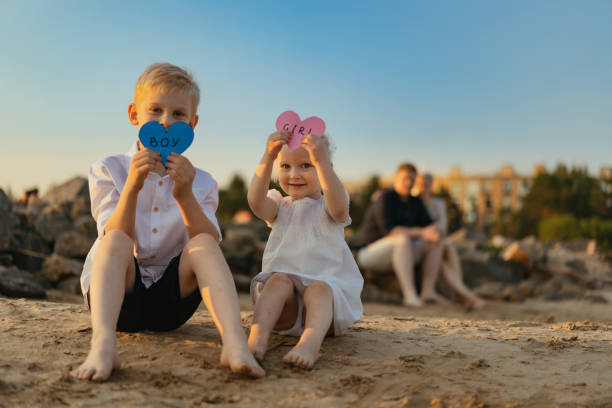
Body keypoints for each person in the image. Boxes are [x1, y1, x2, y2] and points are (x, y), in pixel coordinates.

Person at [71, 63, 264, 381]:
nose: (165, 121)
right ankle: (103, 345)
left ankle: (234, 343)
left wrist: (185, 194)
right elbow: (112, 230)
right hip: (119, 300)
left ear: (192, 123)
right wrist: (132, 186)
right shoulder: (108, 169)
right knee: (116, 239)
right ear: (135, 115)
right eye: (156, 110)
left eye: (177, 114)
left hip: (171, 304)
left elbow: (209, 242)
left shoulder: (201, 181)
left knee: (202, 243)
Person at [246, 131, 363, 369]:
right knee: (277, 280)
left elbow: (340, 209)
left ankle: (309, 342)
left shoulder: (330, 206)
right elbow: (256, 203)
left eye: (306, 165)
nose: (294, 174)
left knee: (319, 288)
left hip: (323, 312)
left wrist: (320, 162)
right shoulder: (279, 206)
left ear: (325, 169)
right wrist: (268, 157)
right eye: (285, 166)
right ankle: (257, 337)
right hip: (285, 311)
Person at [356, 163, 446, 307]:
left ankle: (428, 291)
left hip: (402, 254)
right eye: (405, 178)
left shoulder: (415, 201)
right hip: (369, 253)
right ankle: (409, 295)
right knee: (402, 238)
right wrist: (422, 232)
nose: (409, 182)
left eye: (412, 179)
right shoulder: (385, 197)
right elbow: (391, 231)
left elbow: (429, 226)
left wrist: (435, 231)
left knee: (436, 241)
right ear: (396, 178)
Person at [414, 173, 485, 309]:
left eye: (426, 185)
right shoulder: (413, 203)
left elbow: (443, 228)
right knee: (443, 248)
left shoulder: (437, 204)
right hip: (422, 245)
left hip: (435, 243)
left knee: (446, 249)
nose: (423, 188)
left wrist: (434, 232)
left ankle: (462, 293)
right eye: (419, 185)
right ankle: (465, 294)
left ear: (431, 186)